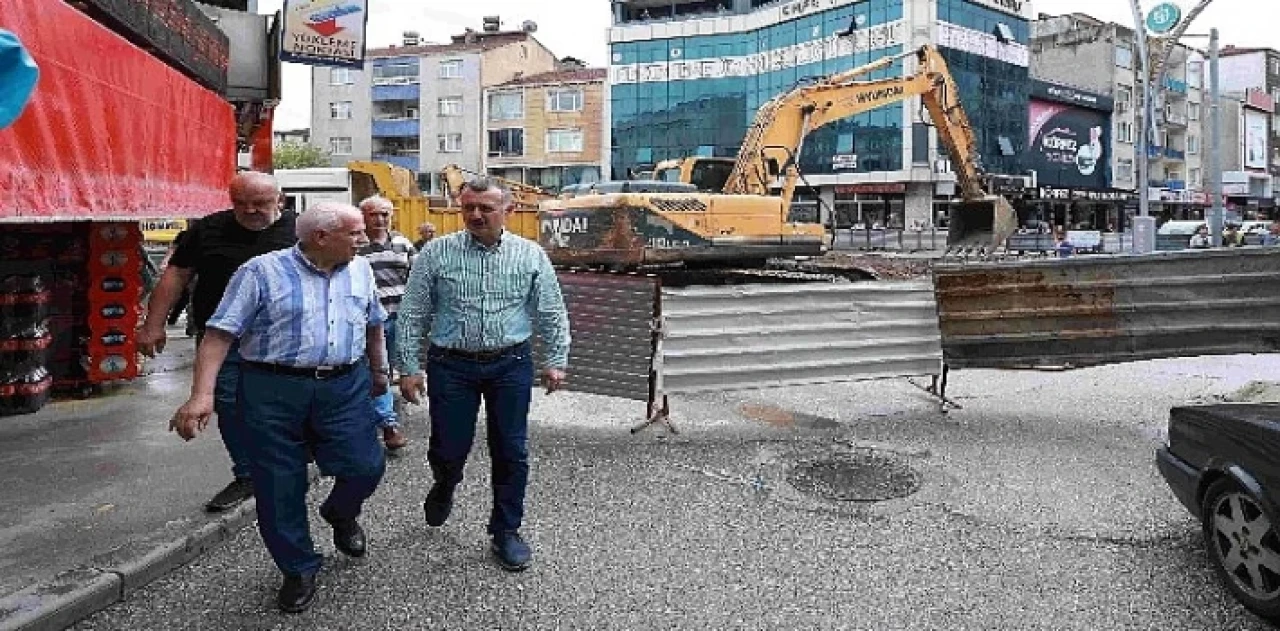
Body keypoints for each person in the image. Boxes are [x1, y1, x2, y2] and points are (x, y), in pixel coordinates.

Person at [169, 202, 389, 614]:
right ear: (322, 237)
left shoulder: (360, 268)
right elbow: (218, 336)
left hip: (343, 385)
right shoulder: (260, 272)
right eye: (355, 233)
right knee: (277, 483)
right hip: (271, 388)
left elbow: (373, 322)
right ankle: (299, 567)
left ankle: (340, 513)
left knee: (365, 464)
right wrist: (202, 396)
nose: (363, 240)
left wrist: (380, 372)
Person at [396, 177, 570, 572]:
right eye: (469, 207)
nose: (475, 214)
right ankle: (445, 482)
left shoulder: (530, 255)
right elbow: (412, 313)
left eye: (485, 208)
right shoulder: (436, 253)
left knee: (511, 449)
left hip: (510, 364)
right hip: (451, 365)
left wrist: (556, 359)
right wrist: (408, 366)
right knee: (448, 447)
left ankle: (505, 530)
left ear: (507, 210)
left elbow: (551, 311)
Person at [138, 172, 297, 513]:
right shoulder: (207, 229)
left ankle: (287, 464)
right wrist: (153, 325)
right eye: (241, 204)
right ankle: (247, 475)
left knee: (283, 406)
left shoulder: (300, 231)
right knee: (228, 404)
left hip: (283, 340)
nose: (250, 211)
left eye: (260, 203)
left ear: (280, 201)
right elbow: (176, 274)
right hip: (222, 338)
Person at [356, 196, 415, 452]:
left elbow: (417, 278)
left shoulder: (403, 244)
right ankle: (388, 425)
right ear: (363, 216)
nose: (379, 220)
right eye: (373, 214)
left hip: (399, 317)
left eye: (384, 214)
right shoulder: (355, 245)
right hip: (367, 322)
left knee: (387, 371)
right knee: (375, 370)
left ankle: (382, 419)